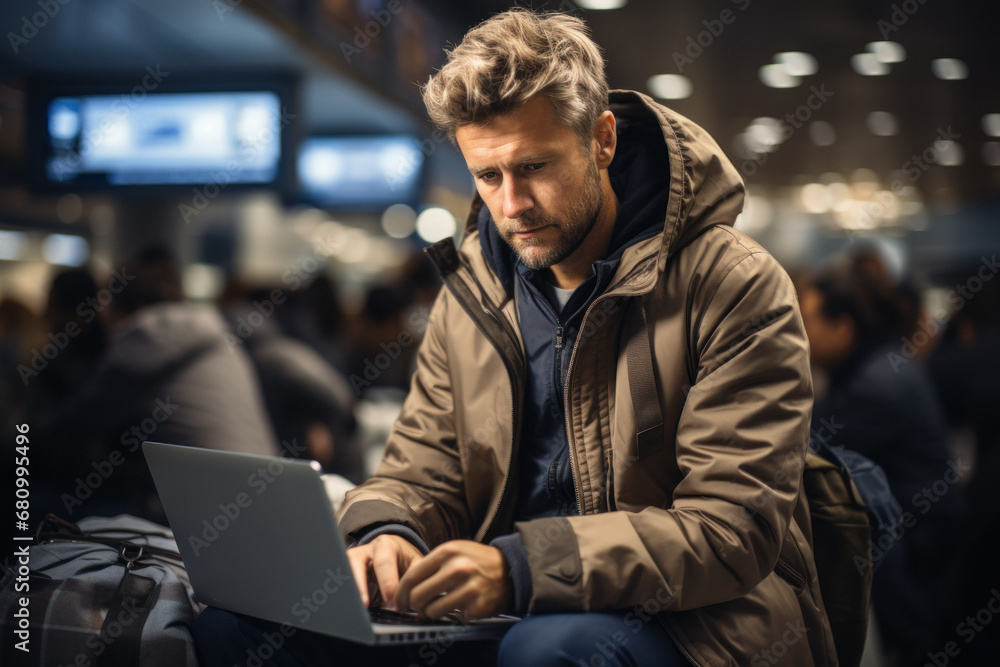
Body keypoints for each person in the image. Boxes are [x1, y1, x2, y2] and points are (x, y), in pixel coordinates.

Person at [196, 9, 835, 666]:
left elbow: (731, 529)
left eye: (534, 166)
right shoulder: (472, 295)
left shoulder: (733, 284)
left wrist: (522, 568)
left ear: (603, 139)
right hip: (503, 604)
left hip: (695, 622)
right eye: (487, 175)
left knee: (550, 651)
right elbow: (420, 469)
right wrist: (387, 529)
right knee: (235, 628)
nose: (510, 205)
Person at [800, 253, 959, 666]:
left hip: (920, 542)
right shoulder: (876, 366)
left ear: (843, 327)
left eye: (808, 321)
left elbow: (805, 447)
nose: (800, 332)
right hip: (921, 532)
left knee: (917, 646)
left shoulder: (874, 386)